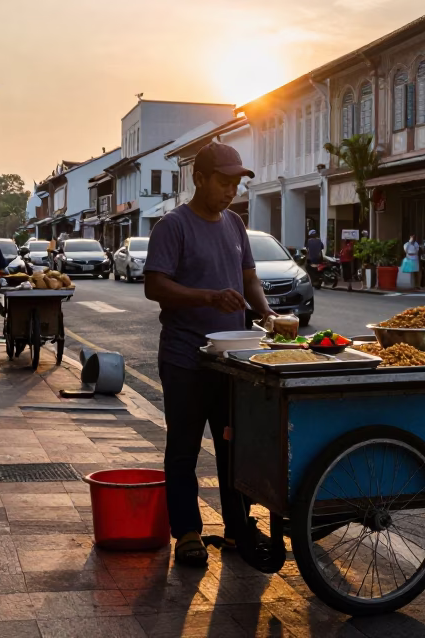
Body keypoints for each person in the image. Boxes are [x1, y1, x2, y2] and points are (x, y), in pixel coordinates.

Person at [143, 142, 278, 567]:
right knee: (183, 446)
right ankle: (186, 531)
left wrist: (267, 313)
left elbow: (249, 278)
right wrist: (206, 296)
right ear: (198, 179)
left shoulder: (236, 225)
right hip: (186, 358)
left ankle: (238, 527)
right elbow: (154, 286)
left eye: (236, 183)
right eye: (224, 182)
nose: (230, 191)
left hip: (232, 361)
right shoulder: (173, 226)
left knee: (235, 448)